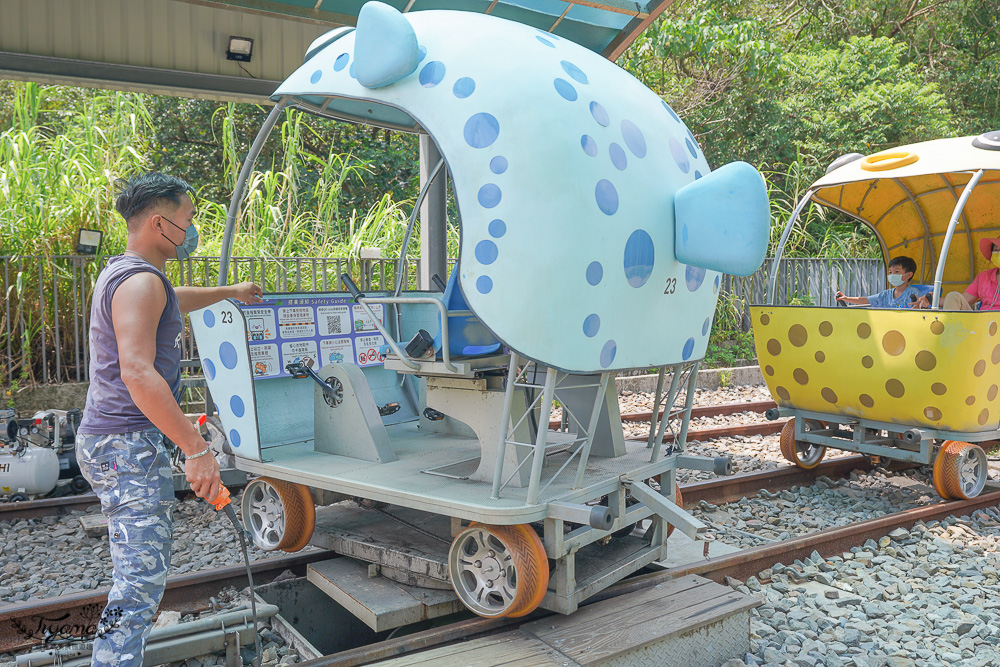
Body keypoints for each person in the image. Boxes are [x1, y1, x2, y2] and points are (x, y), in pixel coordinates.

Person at [76, 172, 262, 667]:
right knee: (137, 586)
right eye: (189, 219)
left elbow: (174, 299)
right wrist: (197, 450)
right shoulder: (140, 282)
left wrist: (231, 291)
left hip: (114, 440)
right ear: (161, 223)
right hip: (125, 445)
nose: (192, 229)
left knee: (134, 580)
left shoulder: (132, 274)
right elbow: (137, 372)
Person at [915, 236, 1000, 310]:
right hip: (982, 322)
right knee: (953, 296)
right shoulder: (983, 276)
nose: (998, 253)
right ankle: (950, 328)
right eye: (996, 250)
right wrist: (932, 300)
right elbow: (962, 300)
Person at [836, 256, 920, 308]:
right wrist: (846, 299)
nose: (892, 275)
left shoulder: (913, 293)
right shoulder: (885, 295)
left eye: (897, 272)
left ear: (908, 275)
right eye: (890, 272)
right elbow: (866, 300)